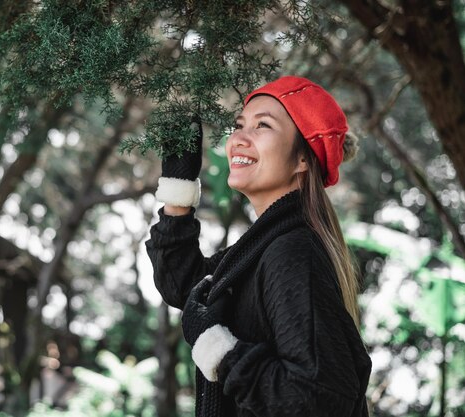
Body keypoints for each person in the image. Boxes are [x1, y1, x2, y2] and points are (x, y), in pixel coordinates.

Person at [146, 76, 372, 417]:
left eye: (262, 125)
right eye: (239, 125)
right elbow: (184, 284)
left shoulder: (291, 253)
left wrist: (219, 351)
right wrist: (178, 189)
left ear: (302, 160)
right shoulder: (262, 247)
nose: (238, 137)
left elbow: (317, 397)